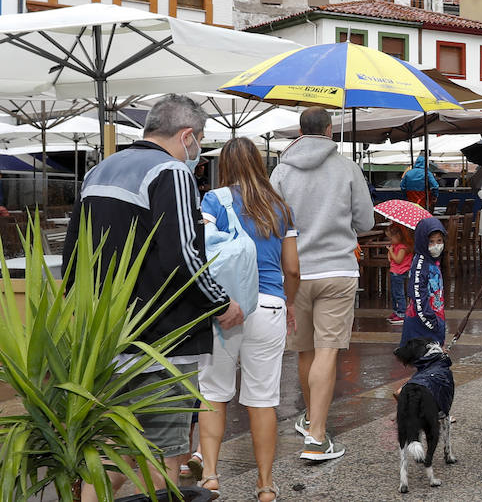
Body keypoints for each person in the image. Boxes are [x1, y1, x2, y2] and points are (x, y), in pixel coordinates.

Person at [64, 95, 244, 501]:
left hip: (106, 340)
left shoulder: (99, 171)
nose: (198, 152)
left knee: (111, 450)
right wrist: (221, 302)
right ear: (186, 136)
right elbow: (184, 256)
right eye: (199, 141)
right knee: (162, 454)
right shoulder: (172, 173)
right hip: (164, 342)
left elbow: (73, 256)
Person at [196, 137, 300, 502]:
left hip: (225, 307)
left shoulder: (214, 200)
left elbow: (201, 252)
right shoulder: (280, 207)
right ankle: (266, 485)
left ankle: (210, 476)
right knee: (262, 398)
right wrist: (287, 303)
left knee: (213, 392)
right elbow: (293, 269)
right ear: (259, 163)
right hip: (270, 305)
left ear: (223, 165)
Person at [270, 106, 375, 462]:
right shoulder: (348, 168)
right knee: (328, 350)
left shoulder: (282, 171)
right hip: (338, 271)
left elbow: (271, 222)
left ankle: (311, 418)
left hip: (295, 272)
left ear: (300, 131)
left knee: (305, 350)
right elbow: (365, 221)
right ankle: (316, 436)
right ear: (330, 131)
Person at [403, 216, 448, 344]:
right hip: (421, 322)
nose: (436, 246)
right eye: (431, 242)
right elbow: (418, 295)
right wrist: (431, 322)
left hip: (434, 317)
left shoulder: (434, 261)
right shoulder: (420, 263)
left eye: (439, 241)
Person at [387, 224, 413, 324]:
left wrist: (391, 252)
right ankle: (396, 311)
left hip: (399, 272)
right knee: (394, 293)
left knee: (399, 293)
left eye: (391, 238)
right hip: (394, 271)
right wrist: (390, 252)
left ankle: (402, 313)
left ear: (398, 236)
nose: (390, 241)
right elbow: (390, 259)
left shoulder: (402, 248)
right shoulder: (396, 246)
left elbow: (398, 260)